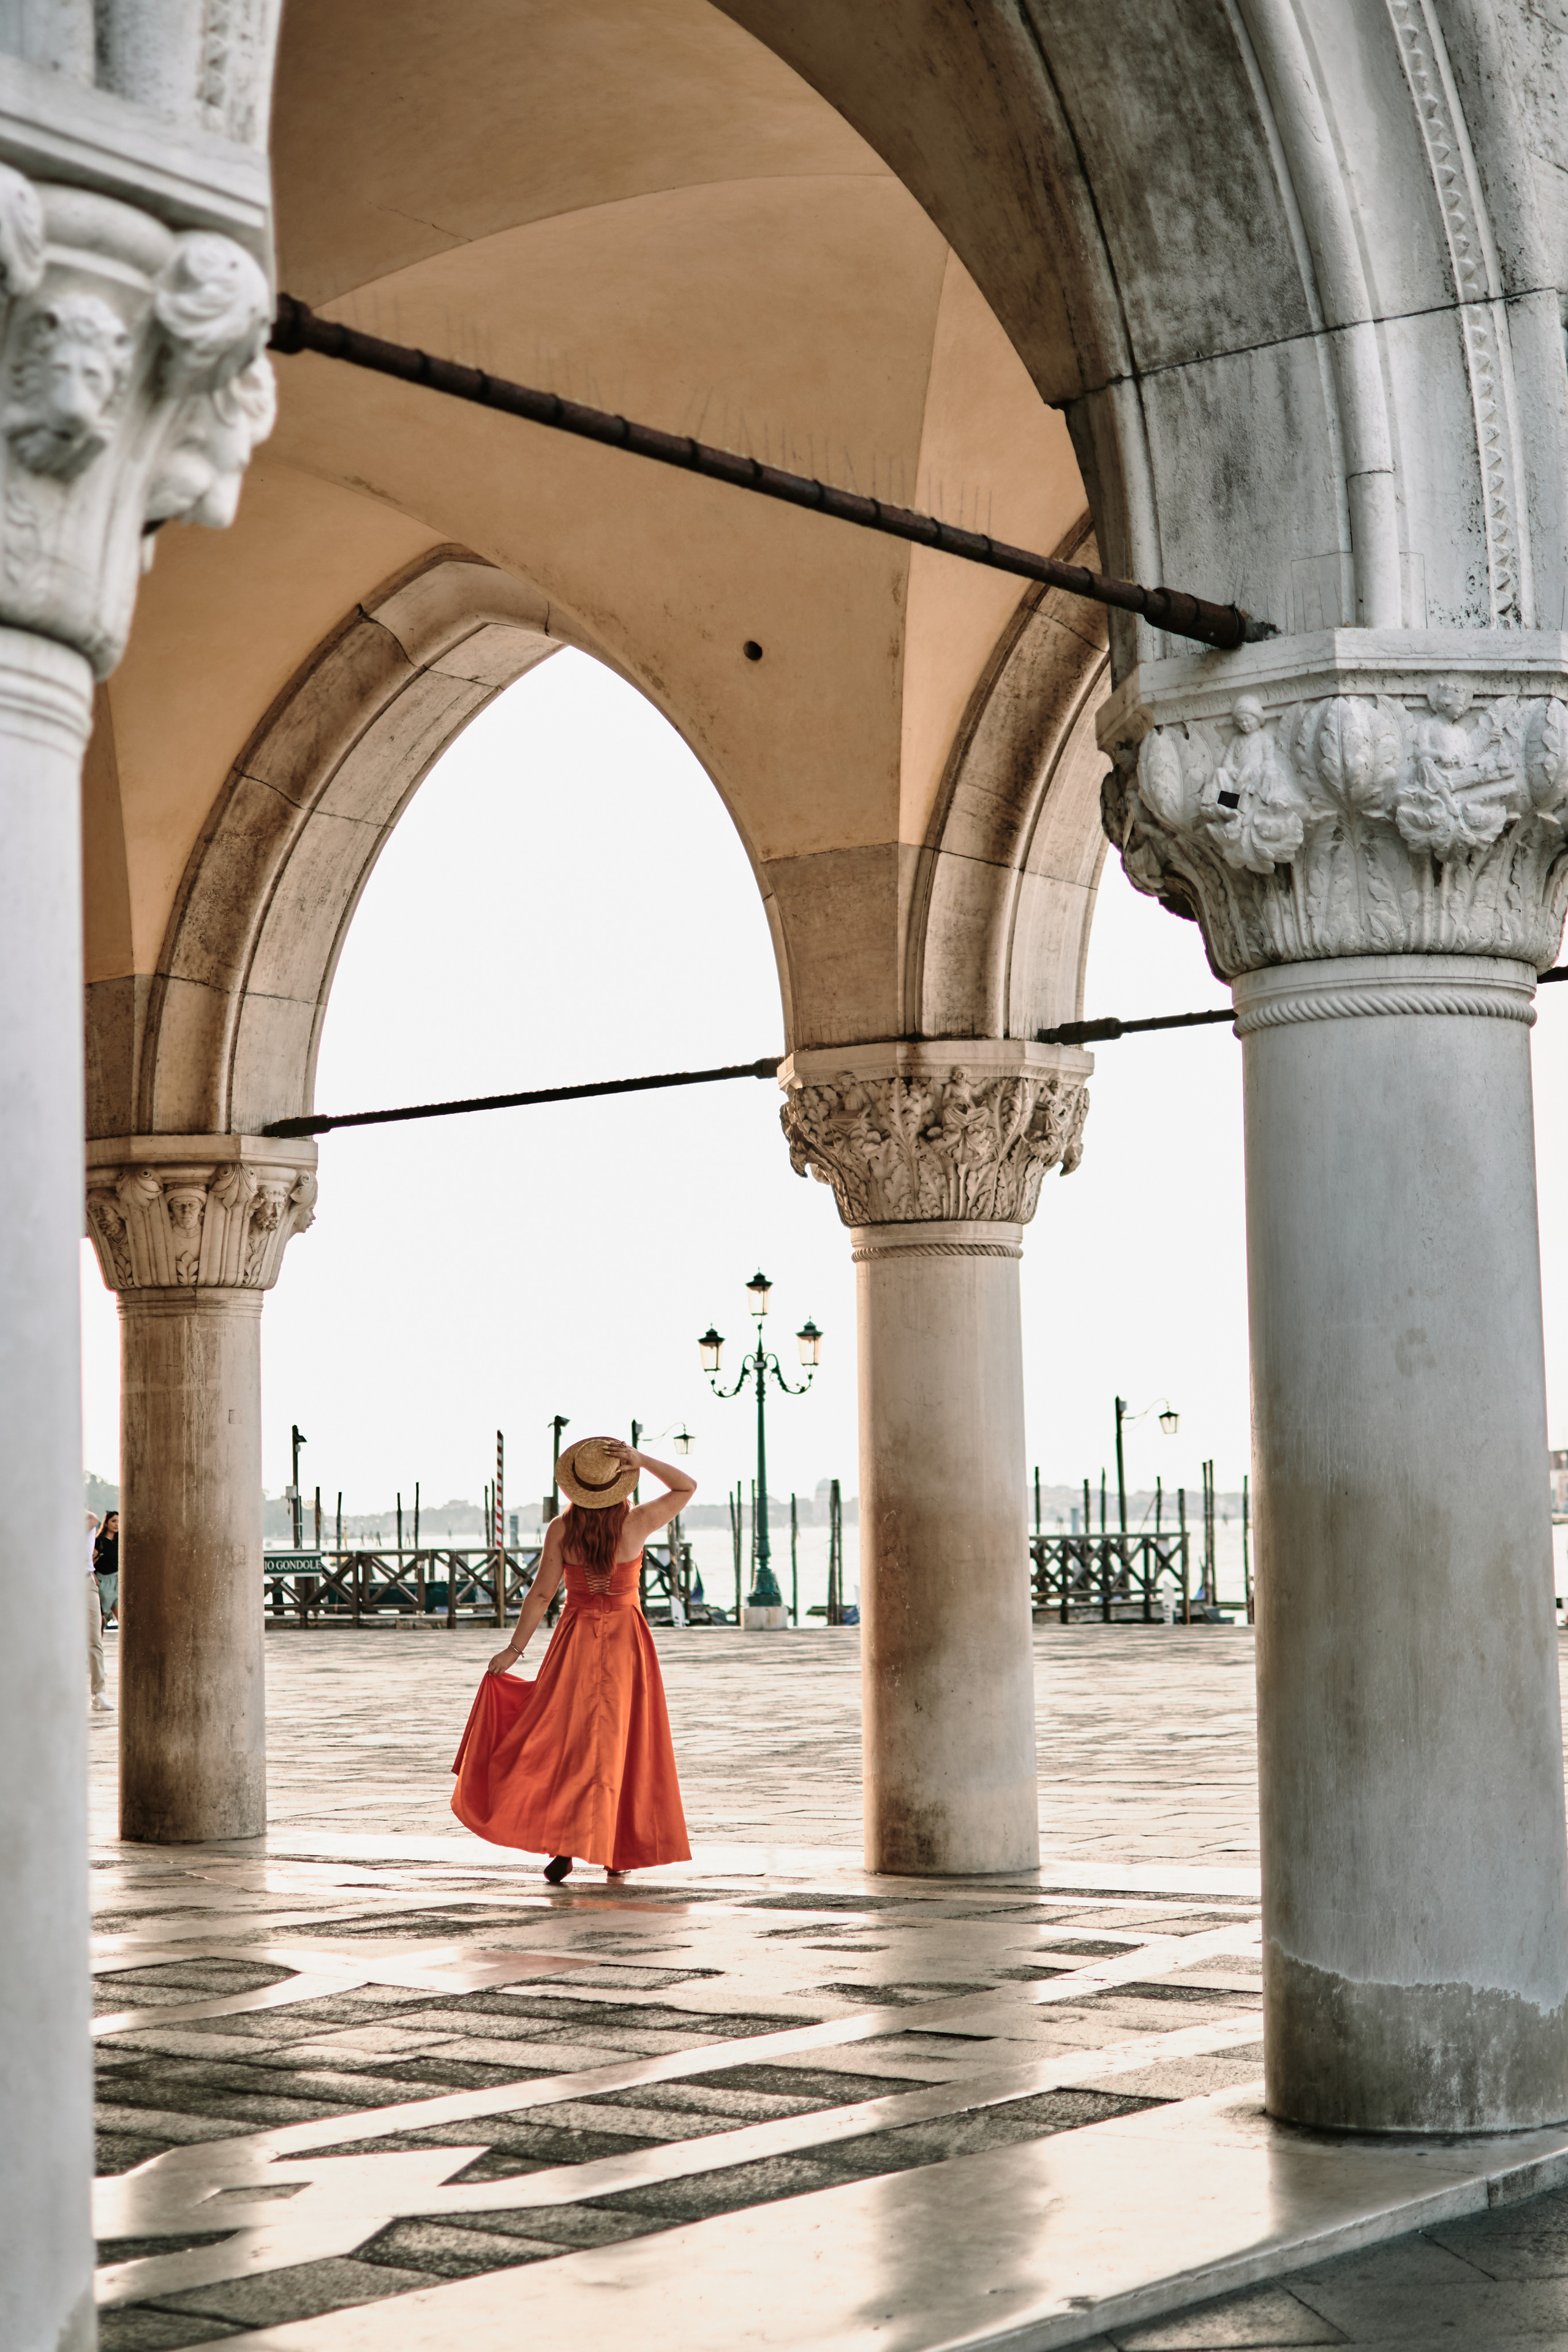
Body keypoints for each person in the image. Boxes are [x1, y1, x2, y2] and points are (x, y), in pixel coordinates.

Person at [451, 1436, 695, 1882]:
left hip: (576, 1638)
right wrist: (643, 1460)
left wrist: (514, 1650)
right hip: (626, 1643)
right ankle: (613, 1850)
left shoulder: (560, 1530)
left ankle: (565, 1845)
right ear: (620, 1485)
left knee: (565, 1741)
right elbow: (686, 1487)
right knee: (621, 1743)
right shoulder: (637, 1523)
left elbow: (542, 1594)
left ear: (576, 1487)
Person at [84, 1510, 112, 1713]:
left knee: (94, 1639)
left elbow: (93, 1519)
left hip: (85, 1581)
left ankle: (98, 1694)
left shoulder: (84, 1517)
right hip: (56, 1582)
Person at [94, 1510, 119, 1627]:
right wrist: (96, 1580)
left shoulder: (120, 1542)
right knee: (100, 1619)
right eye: (114, 1521)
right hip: (105, 1581)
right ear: (106, 1523)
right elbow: (90, 1561)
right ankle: (96, 1645)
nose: (117, 1524)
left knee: (123, 1618)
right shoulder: (99, 1542)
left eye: (119, 1522)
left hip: (118, 1582)